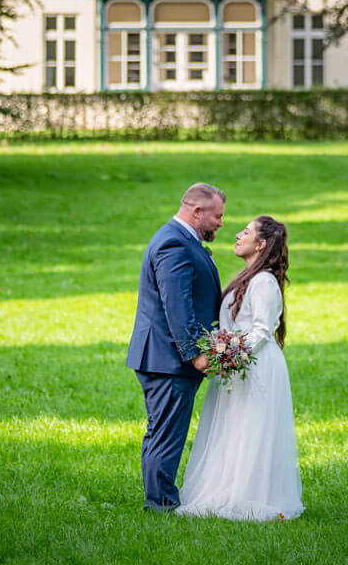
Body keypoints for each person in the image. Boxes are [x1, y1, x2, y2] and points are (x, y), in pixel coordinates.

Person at [176, 215, 304, 521]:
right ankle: (223, 489)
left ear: (260, 244)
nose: (237, 235)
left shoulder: (263, 282)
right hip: (239, 364)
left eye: (245, 232)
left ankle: (247, 496)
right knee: (232, 427)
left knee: (250, 428)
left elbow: (261, 330)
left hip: (255, 365)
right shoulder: (248, 277)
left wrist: (228, 354)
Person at [125, 182, 225, 512]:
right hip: (167, 359)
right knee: (166, 435)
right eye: (217, 216)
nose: (221, 224)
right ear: (197, 212)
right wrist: (195, 353)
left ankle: (160, 501)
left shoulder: (180, 239)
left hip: (164, 357)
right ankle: (161, 505)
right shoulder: (174, 243)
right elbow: (177, 306)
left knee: (162, 432)